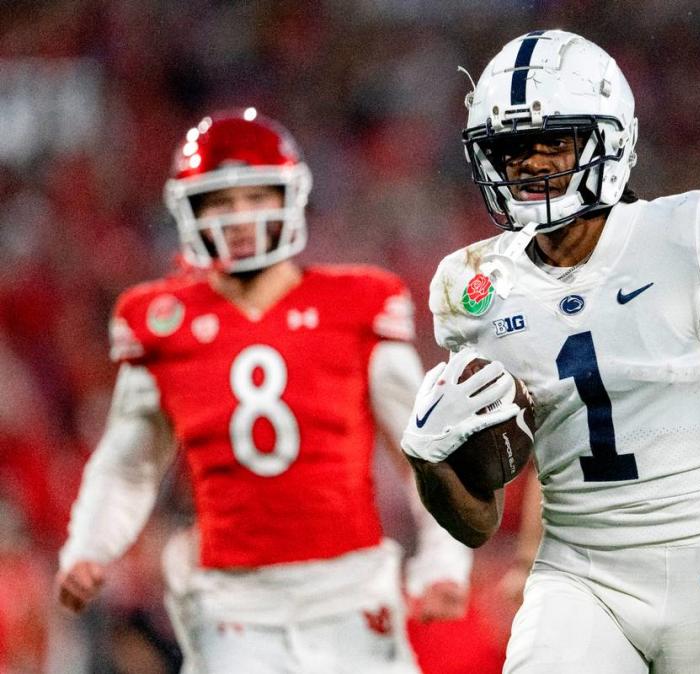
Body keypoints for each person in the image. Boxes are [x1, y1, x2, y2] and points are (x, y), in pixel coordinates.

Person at [400, 30, 700, 673]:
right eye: (515, 147)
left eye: (556, 141)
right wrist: (428, 462)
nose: (532, 163)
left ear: (610, 138)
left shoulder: (687, 238)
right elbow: (476, 525)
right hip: (577, 574)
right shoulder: (474, 289)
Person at [56, 109, 472, 674]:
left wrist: (444, 559)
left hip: (349, 589)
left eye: (255, 197)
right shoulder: (160, 319)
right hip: (232, 601)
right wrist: (90, 546)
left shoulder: (357, 304)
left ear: (289, 197)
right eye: (220, 203)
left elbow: (423, 450)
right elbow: (129, 463)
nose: (240, 218)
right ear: (190, 211)